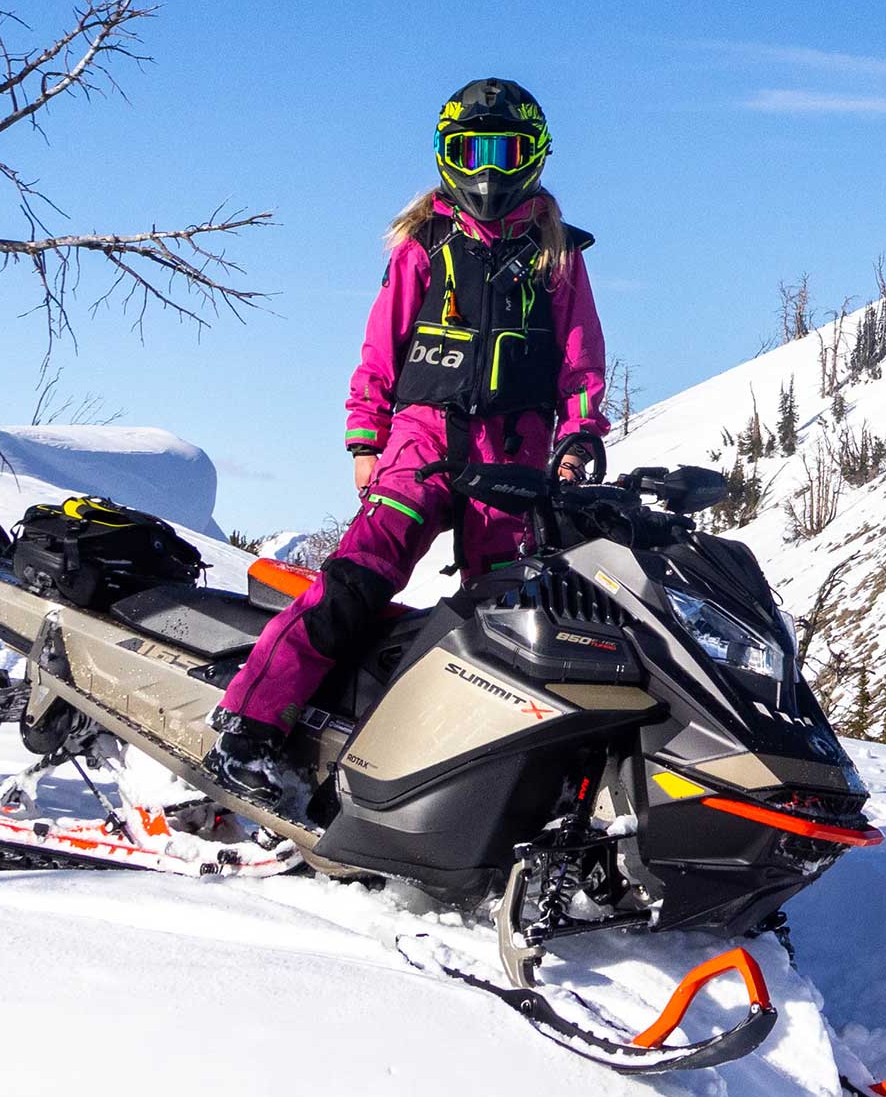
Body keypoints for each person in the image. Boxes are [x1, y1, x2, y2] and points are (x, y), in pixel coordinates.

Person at [204, 78, 608, 815]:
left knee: (505, 617)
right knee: (357, 577)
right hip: (421, 444)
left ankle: (473, 785)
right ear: (447, 156)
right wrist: (366, 439)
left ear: (535, 156)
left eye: (506, 150)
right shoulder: (425, 245)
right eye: (471, 150)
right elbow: (380, 352)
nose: (488, 168)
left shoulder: (558, 257)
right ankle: (249, 723)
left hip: (513, 461)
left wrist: (580, 436)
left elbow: (581, 361)